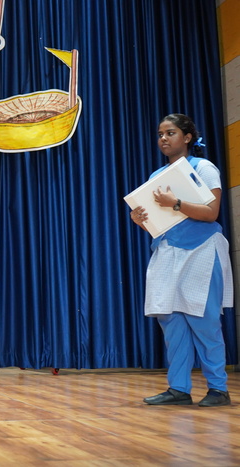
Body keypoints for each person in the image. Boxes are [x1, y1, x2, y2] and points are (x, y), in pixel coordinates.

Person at [130, 113, 234, 407]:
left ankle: (218, 389)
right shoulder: (156, 176)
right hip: (167, 252)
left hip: (202, 250)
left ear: (187, 137)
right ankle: (179, 388)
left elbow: (211, 213)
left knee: (204, 321)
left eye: (170, 133)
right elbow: (157, 222)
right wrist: (140, 219)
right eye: (160, 134)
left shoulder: (204, 168)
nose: (163, 138)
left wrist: (175, 203)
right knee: (171, 321)